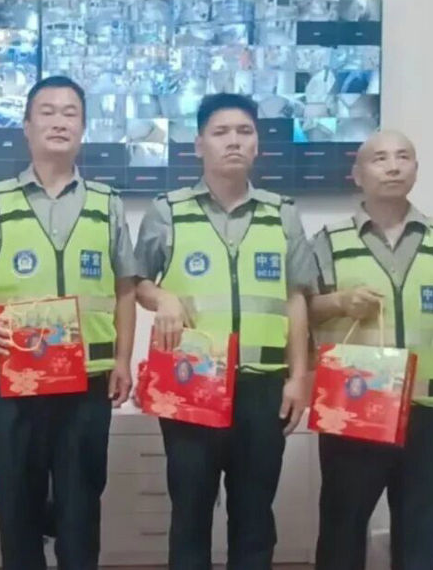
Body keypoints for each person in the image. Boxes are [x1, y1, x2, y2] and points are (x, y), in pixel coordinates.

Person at [0, 75, 137, 570]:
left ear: (83, 127)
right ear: (27, 126)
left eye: (70, 113)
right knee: (17, 505)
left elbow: (126, 285)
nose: (59, 121)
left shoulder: (107, 203)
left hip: (87, 381)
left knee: (81, 507)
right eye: (48, 112)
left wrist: (123, 359)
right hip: (14, 379)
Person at [134, 93, 316, 570]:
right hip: (190, 383)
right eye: (220, 132)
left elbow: (296, 298)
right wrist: (163, 298)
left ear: (257, 144)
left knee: (254, 516)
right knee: (190, 512)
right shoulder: (167, 211)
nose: (233, 141)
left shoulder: (282, 213)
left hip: (263, 385)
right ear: (199, 145)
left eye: (244, 132)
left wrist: (299, 376)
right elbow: (138, 283)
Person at [311, 130, 433, 570]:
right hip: (356, 406)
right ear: (357, 174)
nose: (392, 166)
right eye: (380, 158)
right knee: (342, 527)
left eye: (403, 157)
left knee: (421, 531)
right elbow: (303, 310)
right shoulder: (330, 240)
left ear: (415, 170)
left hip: (432, 406)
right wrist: (339, 301)